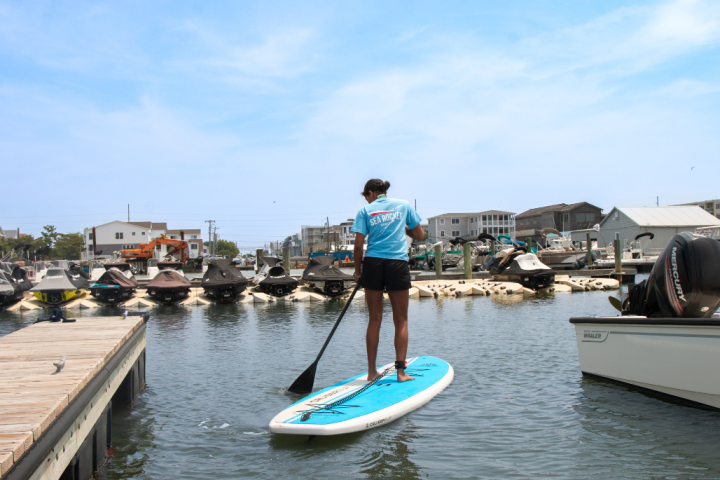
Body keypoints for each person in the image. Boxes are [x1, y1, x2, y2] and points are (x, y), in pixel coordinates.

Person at [351, 179, 425, 382]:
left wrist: (358, 272)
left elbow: (358, 246)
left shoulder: (365, 212)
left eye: (366, 197)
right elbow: (420, 235)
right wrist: (402, 226)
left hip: (373, 264)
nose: (366, 201)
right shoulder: (403, 205)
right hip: (396, 263)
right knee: (401, 320)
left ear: (372, 193)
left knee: (374, 319)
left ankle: (371, 372)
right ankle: (401, 373)